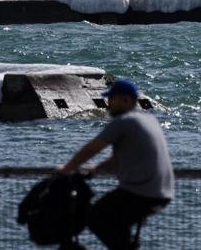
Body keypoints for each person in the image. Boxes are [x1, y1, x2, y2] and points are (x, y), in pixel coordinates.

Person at [58, 79, 174, 249]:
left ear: (126, 100)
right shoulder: (149, 120)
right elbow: (116, 160)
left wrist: (66, 170)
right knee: (115, 225)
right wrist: (96, 170)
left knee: (95, 217)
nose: (108, 104)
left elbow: (91, 149)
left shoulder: (124, 122)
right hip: (162, 192)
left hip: (140, 192)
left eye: (112, 99)